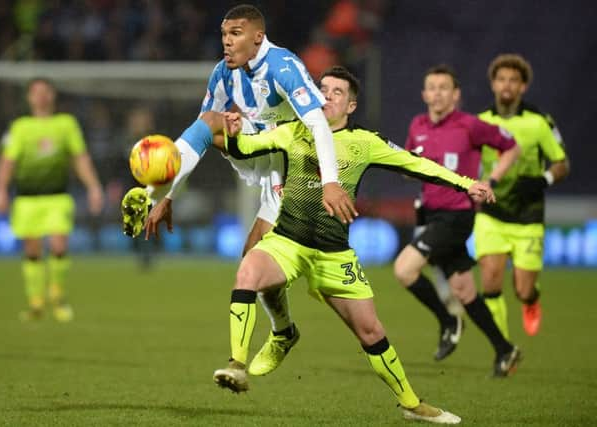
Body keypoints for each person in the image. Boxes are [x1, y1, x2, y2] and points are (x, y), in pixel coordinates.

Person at [212, 65, 496, 424]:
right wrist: (234, 134)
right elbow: (248, 146)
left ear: (351, 106)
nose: (326, 96)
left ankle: (412, 404)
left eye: (336, 92)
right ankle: (237, 363)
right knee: (248, 269)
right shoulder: (293, 131)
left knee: (371, 331)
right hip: (289, 242)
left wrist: (466, 183)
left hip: (334, 254)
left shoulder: (365, 142)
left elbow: (418, 164)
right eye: (322, 89)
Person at [125, 4, 355, 372]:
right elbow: (204, 128)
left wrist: (330, 183)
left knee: (287, 278)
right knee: (212, 122)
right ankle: (282, 333)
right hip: (265, 166)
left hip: (298, 176)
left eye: (235, 34)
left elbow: (319, 127)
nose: (226, 43)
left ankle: (276, 338)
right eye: (223, 34)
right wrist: (166, 196)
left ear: (257, 37)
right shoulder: (222, 74)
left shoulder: (284, 67)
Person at [393, 64, 522, 376]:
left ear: (455, 94)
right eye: (431, 87)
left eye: (443, 87)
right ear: (424, 94)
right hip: (431, 214)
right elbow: (409, 166)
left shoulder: (470, 125)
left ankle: (448, 320)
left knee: (404, 269)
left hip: (457, 215)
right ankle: (506, 350)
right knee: (464, 291)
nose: (437, 93)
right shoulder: (417, 125)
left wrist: (490, 179)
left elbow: (511, 146)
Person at [0, 77, 104, 322]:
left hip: (57, 196)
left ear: (52, 95)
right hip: (27, 198)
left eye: (45, 91)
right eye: (36, 92)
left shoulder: (66, 124)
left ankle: (57, 295)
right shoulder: (20, 127)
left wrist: (93, 187)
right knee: (32, 251)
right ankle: (36, 303)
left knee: (58, 245)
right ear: (29, 97)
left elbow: (80, 158)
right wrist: (0, 190)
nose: (41, 96)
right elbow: (7, 161)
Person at [476, 54, 569, 338]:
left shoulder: (539, 122)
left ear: (523, 87)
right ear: (493, 84)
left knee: (523, 289)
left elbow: (562, 164)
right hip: (491, 213)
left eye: (514, 80)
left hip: (528, 214)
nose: (507, 85)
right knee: (490, 283)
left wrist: (543, 179)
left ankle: (531, 301)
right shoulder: (480, 122)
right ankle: (502, 349)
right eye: (501, 79)